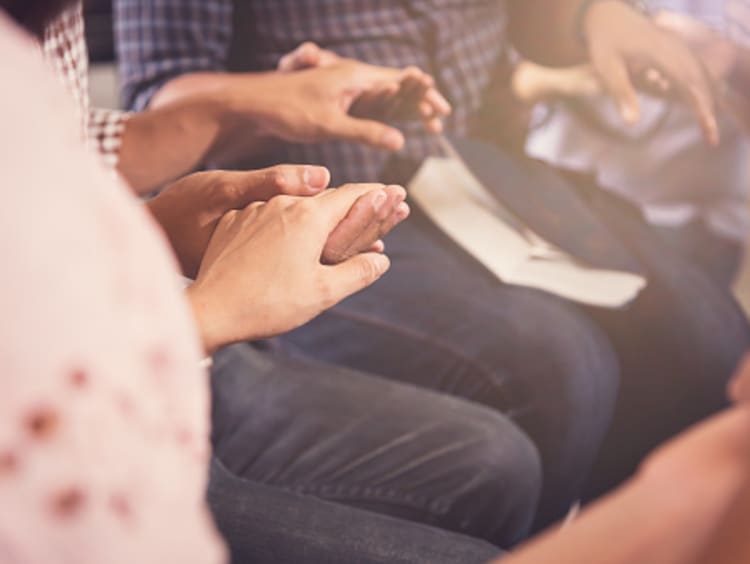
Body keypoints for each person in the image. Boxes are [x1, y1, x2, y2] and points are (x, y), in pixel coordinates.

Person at [116, 0, 750, 524]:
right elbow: (154, 96)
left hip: (473, 163)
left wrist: (588, 18)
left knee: (707, 336)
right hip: (318, 203)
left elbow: (531, 18)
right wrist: (278, 96)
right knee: (556, 364)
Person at [19, 0, 558, 554]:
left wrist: (153, 226)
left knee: (498, 457)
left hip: (130, 334)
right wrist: (207, 313)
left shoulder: (29, 47)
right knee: (546, 362)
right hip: (86, 426)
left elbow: (57, 166)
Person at [519, 0, 750, 288]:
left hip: (700, 219)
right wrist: (583, 68)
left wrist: (734, 62)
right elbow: (515, 79)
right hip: (566, 192)